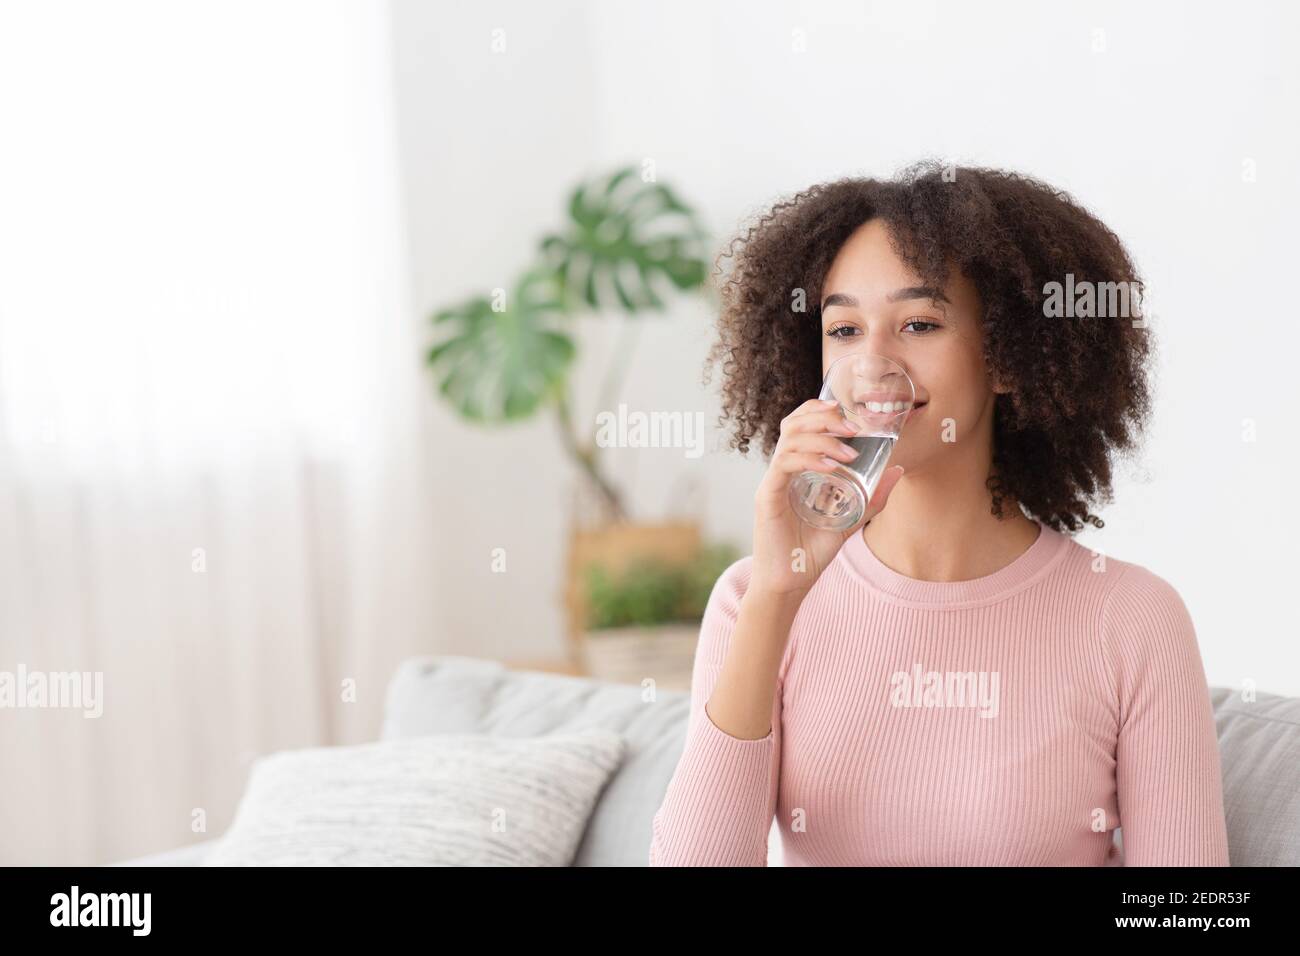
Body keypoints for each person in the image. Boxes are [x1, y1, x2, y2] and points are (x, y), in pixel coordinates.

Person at [648, 161, 1230, 866]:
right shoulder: (753, 600)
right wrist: (779, 594)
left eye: (919, 323)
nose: (872, 366)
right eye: (845, 330)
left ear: (1011, 355)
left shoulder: (1132, 617)